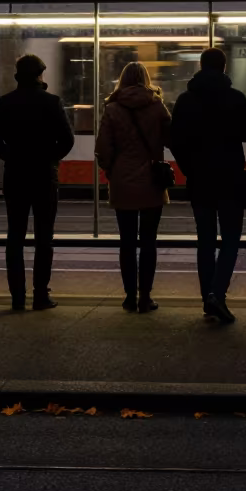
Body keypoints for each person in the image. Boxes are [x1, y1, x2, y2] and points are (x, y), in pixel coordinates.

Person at [171, 47, 246, 323]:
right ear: (224, 67)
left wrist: (189, 169)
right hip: (230, 177)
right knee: (230, 239)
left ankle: (207, 297)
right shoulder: (235, 98)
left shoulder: (186, 100)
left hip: (200, 180)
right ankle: (217, 295)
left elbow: (176, 140)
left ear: (200, 65)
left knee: (205, 240)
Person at [0, 54, 74, 312]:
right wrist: (50, 158)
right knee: (44, 238)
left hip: (15, 175)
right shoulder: (52, 103)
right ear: (40, 74)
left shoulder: (4, 103)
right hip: (44, 176)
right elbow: (67, 140)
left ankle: (17, 297)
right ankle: (40, 295)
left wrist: (10, 155)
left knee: (15, 236)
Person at [95, 61, 172, 314]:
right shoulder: (157, 106)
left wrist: (112, 170)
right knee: (149, 241)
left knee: (127, 242)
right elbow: (171, 138)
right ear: (146, 79)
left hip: (123, 181)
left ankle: (129, 297)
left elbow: (103, 149)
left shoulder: (113, 109)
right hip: (151, 180)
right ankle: (146, 297)